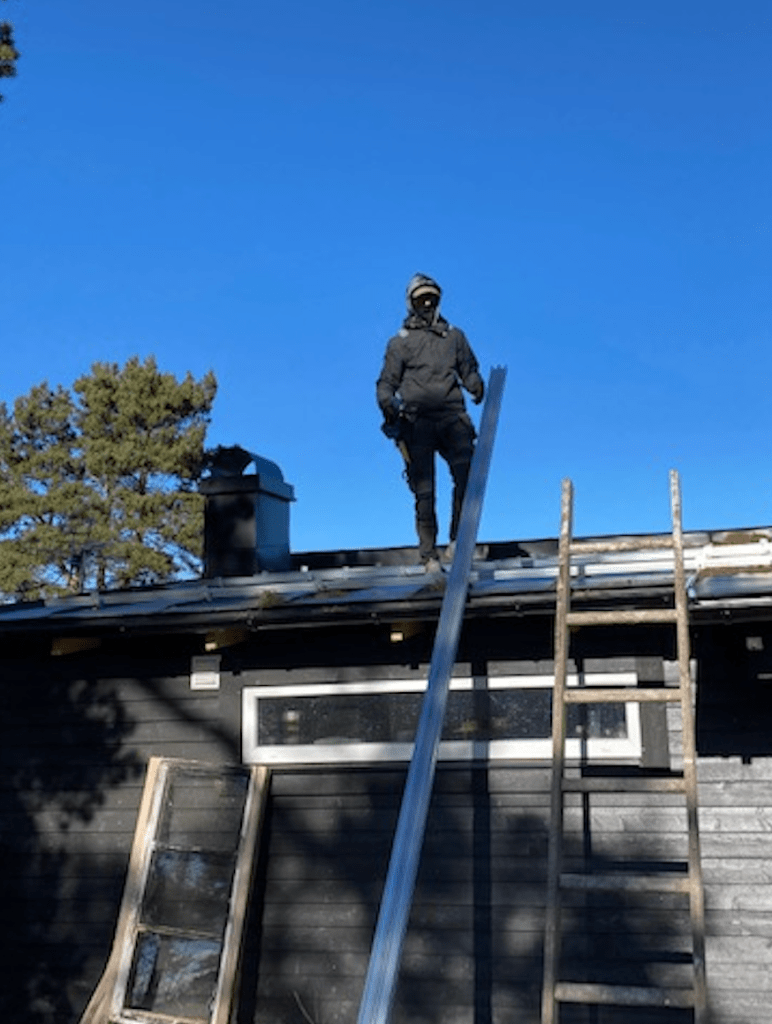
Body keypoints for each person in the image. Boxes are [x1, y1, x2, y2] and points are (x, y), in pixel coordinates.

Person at [376, 273, 485, 572]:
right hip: (417, 421)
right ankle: (429, 555)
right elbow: (386, 383)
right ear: (411, 303)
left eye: (431, 298)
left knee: (467, 476)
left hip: (452, 417)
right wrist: (388, 405)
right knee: (424, 491)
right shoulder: (400, 343)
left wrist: (476, 386)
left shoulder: (454, 337)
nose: (426, 304)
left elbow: (468, 369)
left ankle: (458, 541)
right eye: (421, 299)